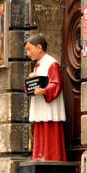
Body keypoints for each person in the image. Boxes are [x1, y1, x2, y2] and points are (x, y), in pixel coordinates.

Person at [24, 31, 67, 162]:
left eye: (29, 49)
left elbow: (56, 83)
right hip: (40, 105)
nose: (28, 54)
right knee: (40, 129)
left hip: (48, 105)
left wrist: (45, 91)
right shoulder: (38, 65)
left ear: (39, 47)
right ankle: (40, 156)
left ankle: (51, 158)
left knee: (49, 130)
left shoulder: (51, 63)